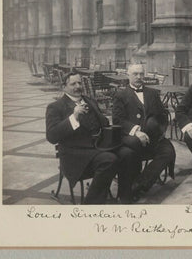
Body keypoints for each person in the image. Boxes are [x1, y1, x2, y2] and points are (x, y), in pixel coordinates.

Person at [46, 71, 139, 204]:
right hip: (76, 154)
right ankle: (91, 205)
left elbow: (104, 123)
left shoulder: (89, 100)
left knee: (127, 153)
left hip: (99, 147)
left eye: (79, 83)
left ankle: (124, 196)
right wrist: (74, 117)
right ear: (64, 87)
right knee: (109, 160)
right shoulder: (56, 107)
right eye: (73, 84)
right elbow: (51, 136)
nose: (78, 86)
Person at [112, 63, 176, 200]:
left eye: (141, 74)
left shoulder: (152, 93)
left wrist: (161, 130)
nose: (139, 77)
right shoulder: (120, 95)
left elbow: (163, 114)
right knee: (132, 149)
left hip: (153, 137)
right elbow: (118, 120)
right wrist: (136, 131)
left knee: (168, 151)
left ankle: (141, 183)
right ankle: (132, 187)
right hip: (132, 137)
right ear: (128, 75)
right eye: (135, 74)